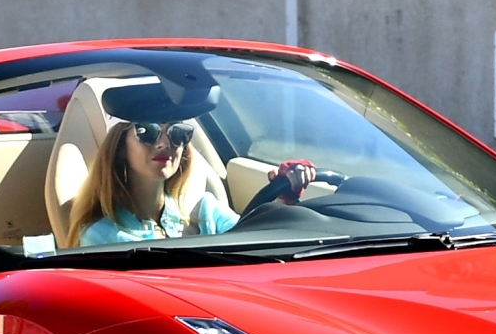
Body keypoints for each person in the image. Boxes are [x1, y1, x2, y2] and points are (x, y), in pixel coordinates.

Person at [60, 79, 318, 248]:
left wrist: (283, 203)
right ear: (119, 148)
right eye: (146, 132)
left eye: (177, 133)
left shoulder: (206, 211)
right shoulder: (100, 235)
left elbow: (257, 246)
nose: (163, 143)